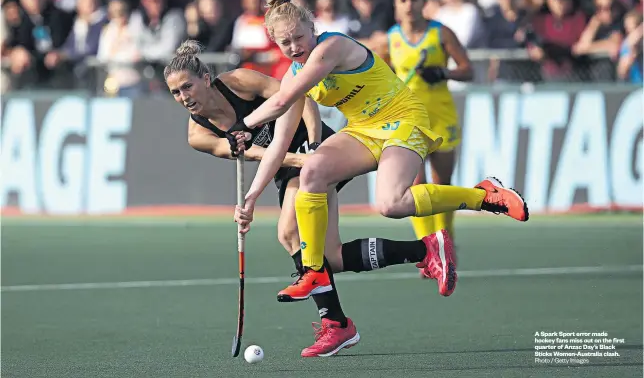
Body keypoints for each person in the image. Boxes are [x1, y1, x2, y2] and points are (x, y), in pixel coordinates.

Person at [228, 0, 529, 301]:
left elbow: (280, 100)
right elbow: (279, 144)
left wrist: (244, 125)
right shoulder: (294, 74)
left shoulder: (332, 46)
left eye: (298, 38)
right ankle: (314, 271)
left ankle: (486, 197)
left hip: (403, 118)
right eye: (284, 42)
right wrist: (251, 198)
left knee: (391, 204)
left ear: (312, 28)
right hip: (363, 129)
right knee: (312, 171)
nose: (293, 47)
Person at [164, 40, 460, 357]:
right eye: (176, 93)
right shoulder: (198, 135)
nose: (184, 98)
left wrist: (315, 144)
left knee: (289, 233)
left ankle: (335, 324)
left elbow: (297, 97)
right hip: (290, 166)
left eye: (187, 87)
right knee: (329, 257)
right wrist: (299, 162)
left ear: (205, 79)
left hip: (321, 151)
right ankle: (425, 250)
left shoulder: (239, 82)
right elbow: (254, 154)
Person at [386, 0, 472, 275]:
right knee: (415, 186)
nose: (409, 5)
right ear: (396, 5)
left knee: (442, 186)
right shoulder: (390, 39)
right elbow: (380, 79)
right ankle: (428, 251)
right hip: (411, 122)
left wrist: (443, 73)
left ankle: (445, 244)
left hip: (441, 117)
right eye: (403, 0)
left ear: (424, 1)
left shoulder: (441, 33)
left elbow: (468, 69)